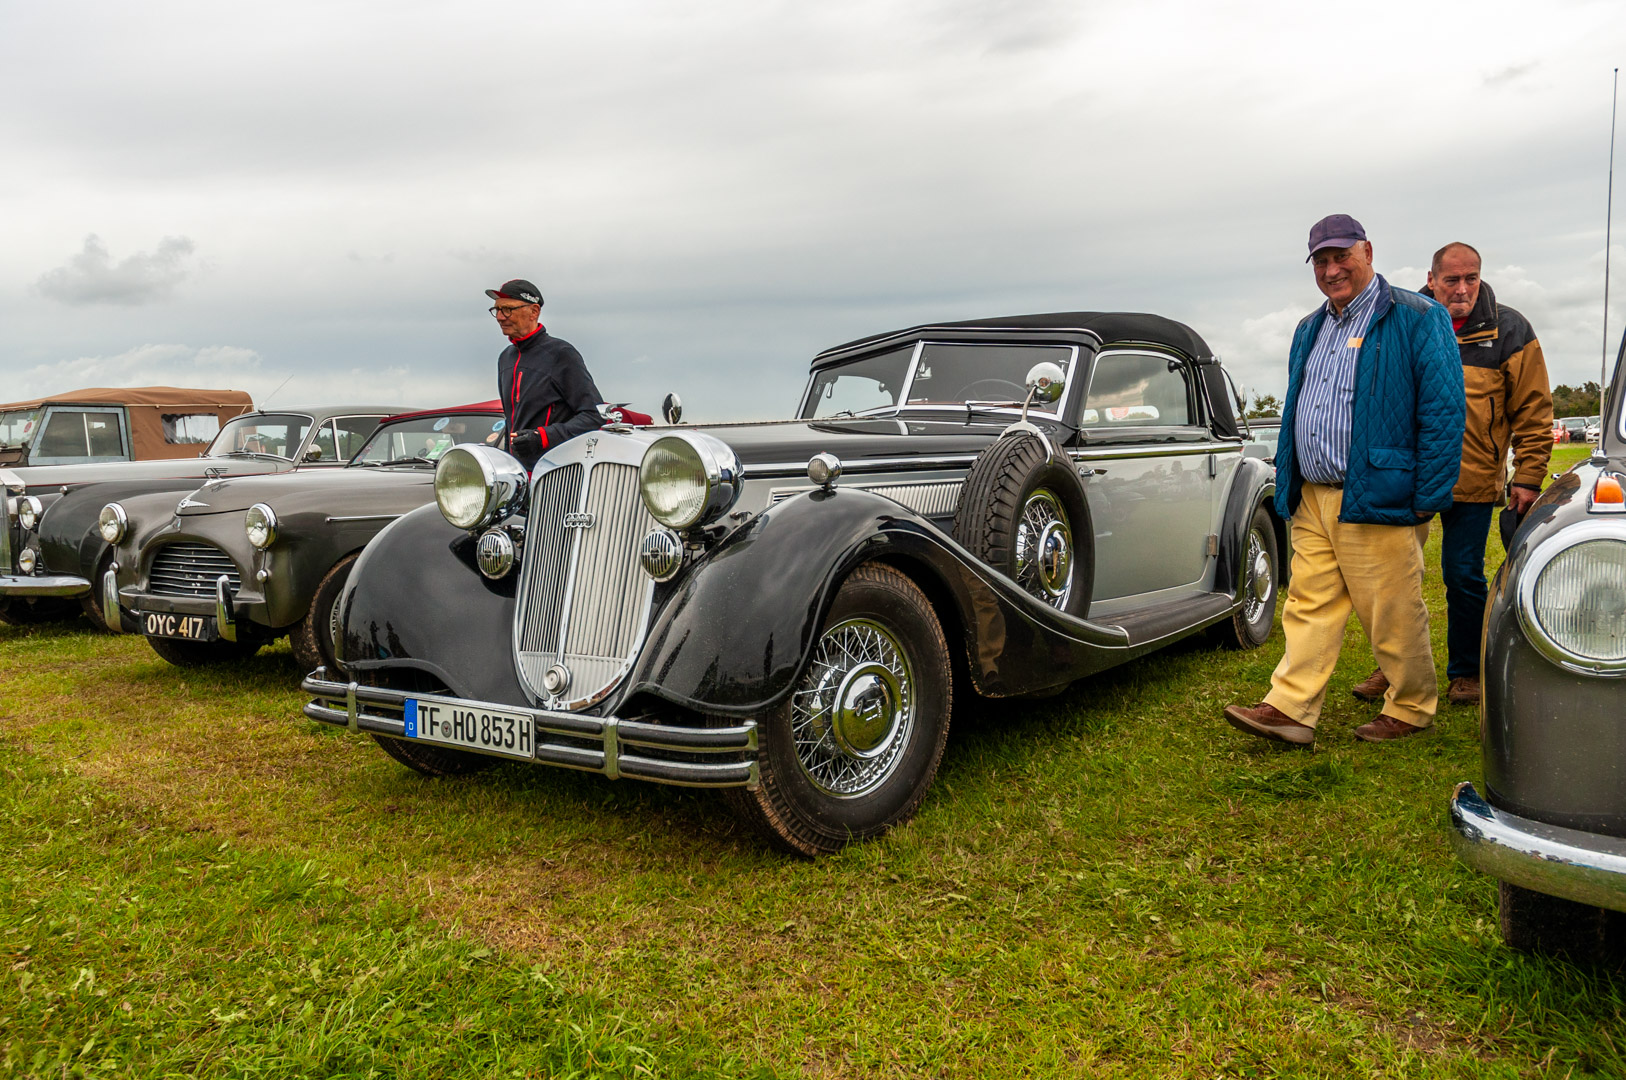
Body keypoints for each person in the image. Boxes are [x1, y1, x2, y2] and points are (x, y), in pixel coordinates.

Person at [1223, 214, 1464, 746]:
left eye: (1341, 257)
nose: (1332, 270)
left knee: (1391, 609)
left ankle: (1412, 705)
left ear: (1368, 252)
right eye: (1322, 261)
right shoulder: (1309, 327)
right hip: (1313, 495)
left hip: (1380, 491)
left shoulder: (1418, 317)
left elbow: (1445, 413)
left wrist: (1427, 497)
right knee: (1307, 602)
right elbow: (1298, 408)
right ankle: (1290, 707)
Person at [1349, 243, 1553, 707]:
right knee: (1396, 577)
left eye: (1472, 279)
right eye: (1452, 280)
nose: (1462, 289)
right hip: (1408, 476)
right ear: (1432, 278)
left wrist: (1528, 476)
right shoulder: (1404, 318)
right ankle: (1394, 666)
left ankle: (1467, 671)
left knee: (1462, 575)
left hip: (1474, 479)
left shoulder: (1511, 328)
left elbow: (1534, 409)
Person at [487, 278, 604, 471]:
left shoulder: (561, 354)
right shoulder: (505, 358)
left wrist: (542, 436)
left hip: (557, 474)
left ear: (534, 311)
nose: (500, 316)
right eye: (497, 310)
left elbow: (594, 414)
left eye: (508, 309)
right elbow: (511, 423)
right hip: (519, 475)